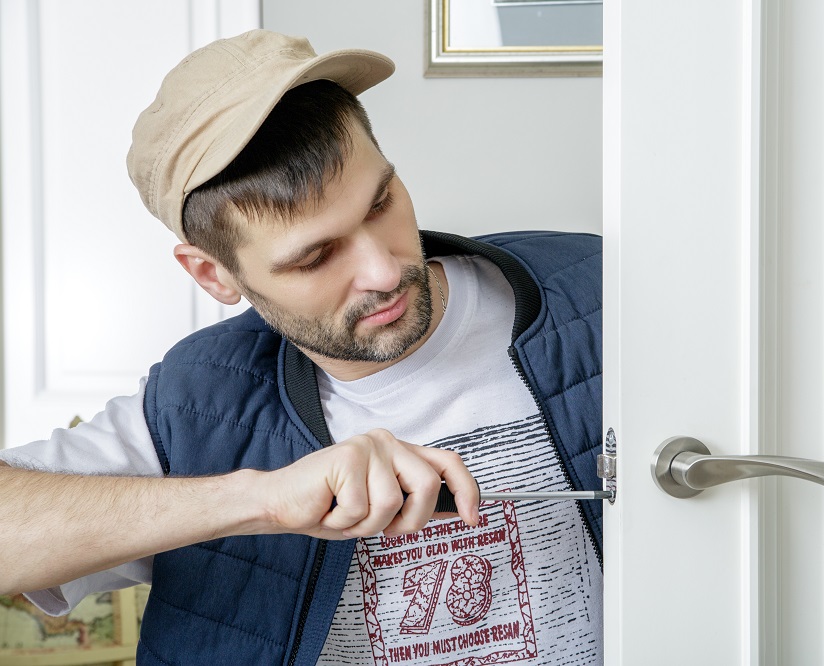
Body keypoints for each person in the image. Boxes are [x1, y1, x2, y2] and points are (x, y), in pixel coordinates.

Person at [0, 29, 602, 665]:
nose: (383, 270)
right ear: (213, 274)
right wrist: (259, 499)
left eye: (380, 204)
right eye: (316, 256)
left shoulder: (601, 293)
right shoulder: (192, 406)